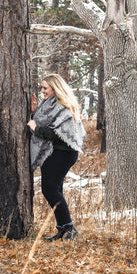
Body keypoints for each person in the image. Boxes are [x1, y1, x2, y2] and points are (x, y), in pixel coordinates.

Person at [27, 73, 86, 242]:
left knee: (49, 189)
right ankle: (63, 229)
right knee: (56, 189)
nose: (42, 91)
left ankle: (69, 228)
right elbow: (43, 123)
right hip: (53, 151)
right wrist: (34, 113)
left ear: (55, 88)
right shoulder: (49, 103)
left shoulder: (63, 106)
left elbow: (57, 133)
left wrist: (36, 128)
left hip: (63, 152)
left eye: (45, 88)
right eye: (42, 88)